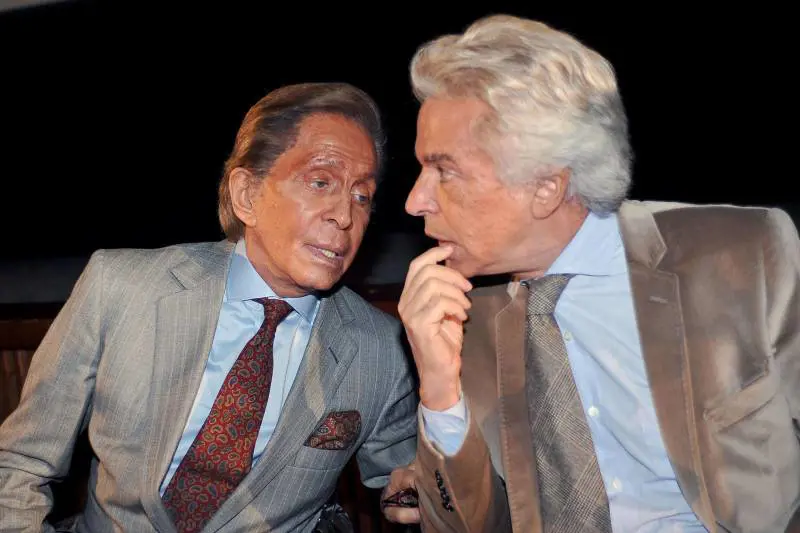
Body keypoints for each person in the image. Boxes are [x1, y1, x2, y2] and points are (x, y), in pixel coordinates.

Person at [388, 13, 800, 533]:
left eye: (444, 171)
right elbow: (467, 526)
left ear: (545, 188)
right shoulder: (455, 318)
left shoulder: (741, 255)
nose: (415, 201)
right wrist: (440, 391)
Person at [0, 82, 418, 532]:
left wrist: (419, 488)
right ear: (247, 195)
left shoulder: (379, 348)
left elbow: (406, 485)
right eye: (320, 182)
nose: (345, 216)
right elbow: (20, 464)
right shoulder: (120, 288)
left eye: (361, 196)